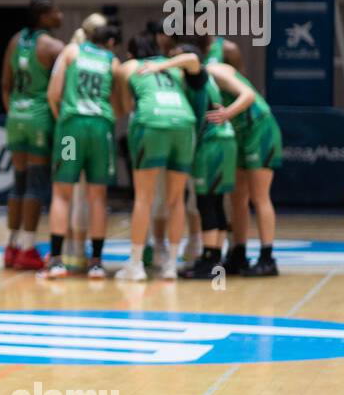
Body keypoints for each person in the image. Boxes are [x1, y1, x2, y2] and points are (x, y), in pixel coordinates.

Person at [137, 48, 254, 280]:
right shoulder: (206, 80)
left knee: (206, 202)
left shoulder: (197, 74)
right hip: (224, 140)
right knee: (216, 201)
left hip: (211, 143)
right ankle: (214, 257)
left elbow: (191, 59)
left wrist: (160, 66)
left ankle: (210, 260)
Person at [114, 34, 199, 282]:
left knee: (144, 198)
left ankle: (136, 264)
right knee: (176, 200)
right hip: (184, 122)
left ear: (131, 54)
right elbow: (194, 61)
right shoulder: (176, 69)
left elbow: (127, 107)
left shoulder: (128, 66)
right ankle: (171, 264)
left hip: (151, 121)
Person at [43, 23, 121, 280]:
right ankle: (96, 263)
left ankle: (56, 261)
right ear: (110, 43)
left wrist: (63, 122)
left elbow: (53, 93)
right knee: (98, 196)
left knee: (62, 193)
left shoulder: (71, 52)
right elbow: (118, 106)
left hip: (72, 126)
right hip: (100, 128)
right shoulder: (113, 61)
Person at [0, 0, 65, 270]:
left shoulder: (15, 41)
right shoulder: (53, 46)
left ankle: (11, 246)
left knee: (18, 182)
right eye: (55, 12)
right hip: (39, 119)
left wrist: (14, 111)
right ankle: (28, 248)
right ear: (43, 17)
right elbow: (61, 89)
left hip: (15, 116)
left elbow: (5, 84)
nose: (60, 16)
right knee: (36, 183)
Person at [209, 56, 282, 276]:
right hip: (240, 134)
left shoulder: (214, 70)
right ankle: (238, 253)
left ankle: (267, 258)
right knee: (236, 197)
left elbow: (248, 95)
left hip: (260, 128)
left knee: (259, 197)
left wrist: (226, 113)